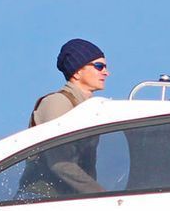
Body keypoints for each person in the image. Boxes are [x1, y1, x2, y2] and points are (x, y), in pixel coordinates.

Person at [19, 38, 110, 197]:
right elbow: (60, 163)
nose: (106, 72)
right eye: (99, 66)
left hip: (68, 200)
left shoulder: (88, 109)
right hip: (41, 199)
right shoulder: (58, 102)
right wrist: (101, 195)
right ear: (78, 71)